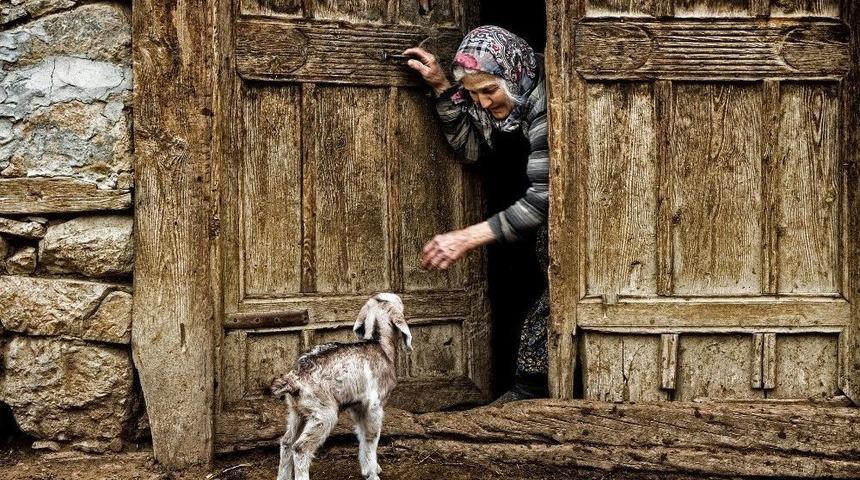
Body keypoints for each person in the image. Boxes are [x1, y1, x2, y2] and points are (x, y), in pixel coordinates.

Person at [404, 26, 550, 404]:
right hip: (514, 231)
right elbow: (471, 149)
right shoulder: (503, 107)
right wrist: (442, 87)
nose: (483, 103)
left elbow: (541, 201)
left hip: (547, 227)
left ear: (514, 74)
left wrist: (465, 237)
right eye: (473, 93)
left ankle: (532, 395)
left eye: (490, 90)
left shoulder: (547, 106)